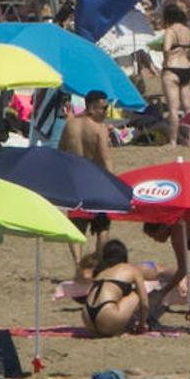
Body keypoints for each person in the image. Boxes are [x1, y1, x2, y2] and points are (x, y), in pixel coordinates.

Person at [60, 90, 115, 264]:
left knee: (76, 226)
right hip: (96, 181)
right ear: (91, 108)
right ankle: (99, 263)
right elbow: (106, 160)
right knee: (102, 226)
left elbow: (60, 151)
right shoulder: (99, 129)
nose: (106, 112)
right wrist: (114, 185)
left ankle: (78, 264)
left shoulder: (70, 125)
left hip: (76, 181)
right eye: (104, 108)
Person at [80, 240, 150, 338]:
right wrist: (142, 325)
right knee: (138, 293)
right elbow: (144, 303)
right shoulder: (131, 269)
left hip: (87, 320)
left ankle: (113, 325)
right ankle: (117, 326)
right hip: (108, 318)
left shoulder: (101, 272)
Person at [161, 5, 190, 147]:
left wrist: (166, 59)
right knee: (188, 107)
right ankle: (189, 140)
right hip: (185, 68)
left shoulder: (170, 30)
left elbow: (166, 48)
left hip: (172, 68)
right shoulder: (187, 30)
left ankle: (173, 141)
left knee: (173, 108)